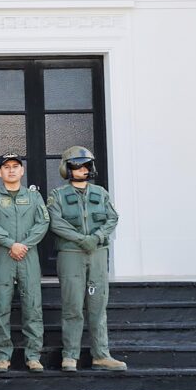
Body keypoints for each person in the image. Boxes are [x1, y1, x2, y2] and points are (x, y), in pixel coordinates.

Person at [47, 146, 126, 372]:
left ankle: (101, 354)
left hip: (97, 255)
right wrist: (82, 239)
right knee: (72, 305)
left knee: (97, 305)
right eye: (76, 165)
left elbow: (112, 218)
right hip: (71, 255)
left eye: (85, 165)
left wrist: (97, 237)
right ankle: (70, 355)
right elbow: (56, 221)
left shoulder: (101, 193)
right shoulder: (57, 195)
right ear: (66, 168)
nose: (82, 169)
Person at [0, 152, 50, 373]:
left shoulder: (33, 197)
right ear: (0, 172)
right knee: (0, 307)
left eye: (15, 166)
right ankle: (2, 355)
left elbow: (42, 223)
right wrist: (11, 244)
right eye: (6, 167)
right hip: (3, 256)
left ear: (22, 171)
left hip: (28, 256)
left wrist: (24, 245)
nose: (11, 170)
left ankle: (33, 355)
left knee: (33, 307)